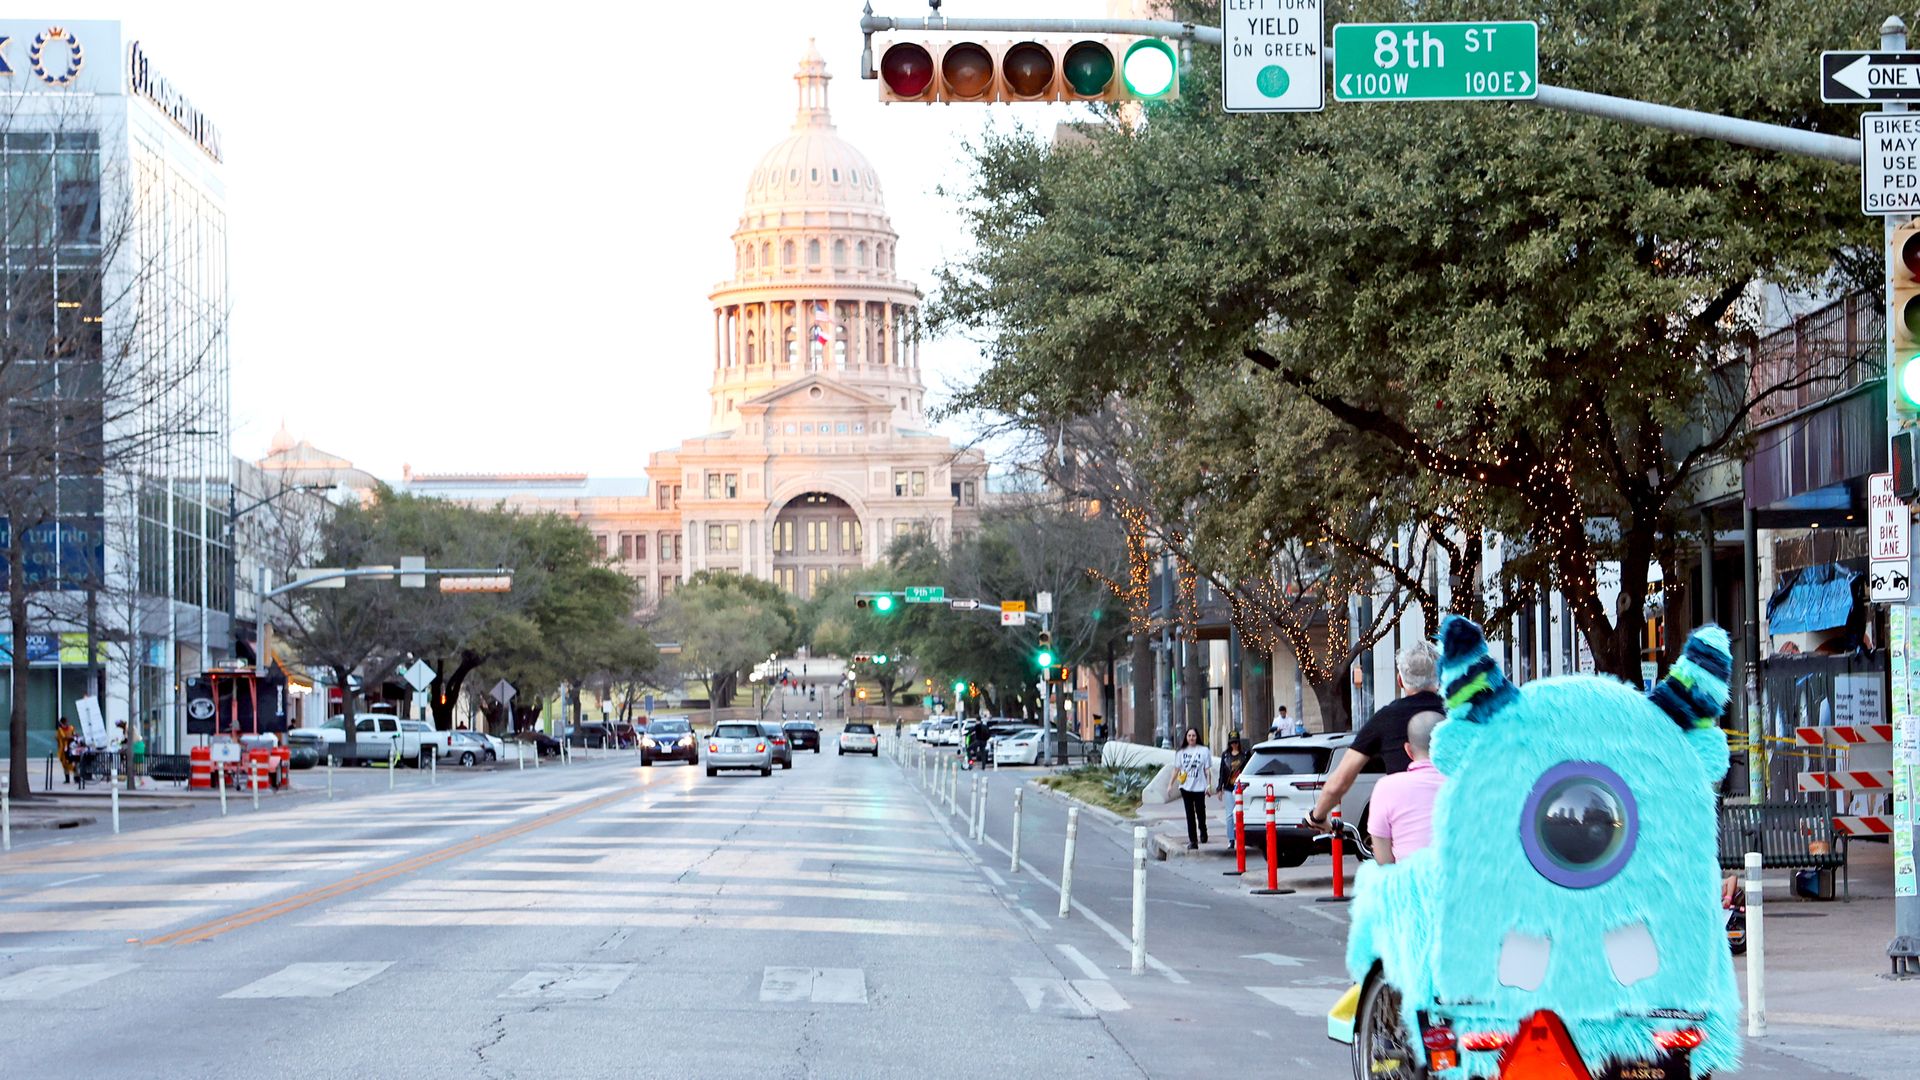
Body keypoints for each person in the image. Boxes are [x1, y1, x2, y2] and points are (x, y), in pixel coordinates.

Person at [1307, 640, 1443, 832]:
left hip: (1406, 832)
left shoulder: (1385, 718)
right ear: (1440, 677)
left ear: (1400, 680)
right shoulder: (1460, 714)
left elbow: (1342, 778)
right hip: (1457, 832)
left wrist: (1317, 816)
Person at [1366, 710, 1447, 863]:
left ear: (1408, 750)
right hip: (1457, 883)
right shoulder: (1466, 785)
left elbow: (1383, 861)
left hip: (1407, 882)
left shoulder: (1386, 788)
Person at [1171, 727, 1213, 849]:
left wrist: (1208, 786)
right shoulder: (1180, 752)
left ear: (1197, 737)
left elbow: (1207, 770)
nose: (1191, 738)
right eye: (1189, 736)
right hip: (1185, 787)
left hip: (1200, 787)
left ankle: (1203, 830)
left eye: (1193, 735)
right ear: (1186, 737)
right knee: (1189, 814)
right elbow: (1176, 769)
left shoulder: (1204, 751)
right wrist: (1170, 784)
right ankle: (1193, 841)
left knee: (1200, 812)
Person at [1216, 734, 1250, 842]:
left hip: (1242, 788)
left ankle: (1242, 837)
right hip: (1229, 788)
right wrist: (1219, 788)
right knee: (1230, 814)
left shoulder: (1245, 754)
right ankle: (1231, 839)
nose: (1234, 745)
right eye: (1232, 743)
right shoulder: (1225, 755)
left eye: (1236, 742)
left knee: (1242, 813)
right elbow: (1222, 772)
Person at [55, 715, 77, 783]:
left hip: (70, 748)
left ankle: (76, 777)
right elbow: (62, 737)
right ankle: (68, 778)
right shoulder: (60, 730)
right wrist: (72, 737)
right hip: (64, 749)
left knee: (73, 763)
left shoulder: (70, 728)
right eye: (65, 722)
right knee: (65, 764)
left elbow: (74, 735)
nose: (66, 723)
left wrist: (73, 737)